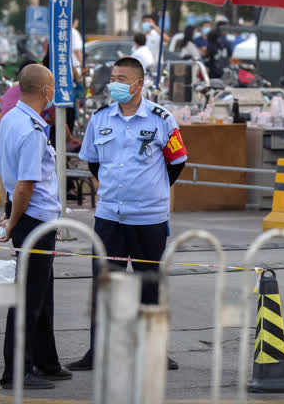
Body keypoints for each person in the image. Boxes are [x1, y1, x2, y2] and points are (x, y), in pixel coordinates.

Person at [69, 57, 187, 372]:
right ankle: (100, 350)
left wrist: (150, 191)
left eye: (122, 78)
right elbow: (93, 163)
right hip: (109, 217)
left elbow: (177, 163)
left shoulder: (162, 119)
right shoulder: (100, 118)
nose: (116, 83)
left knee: (149, 285)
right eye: (113, 77)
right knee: (106, 284)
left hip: (149, 218)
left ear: (138, 83)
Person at [0, 64, 71, 390]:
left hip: (29, 215)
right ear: (45, 91)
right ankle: (16, 371)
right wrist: (12, 222)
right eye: (52, 87)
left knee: (42, 293)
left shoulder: (12, 119)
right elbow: (25, 185)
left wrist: (10, 214)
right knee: (28, 297)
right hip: (33, 219)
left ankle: (45, 361)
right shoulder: (30, 130)